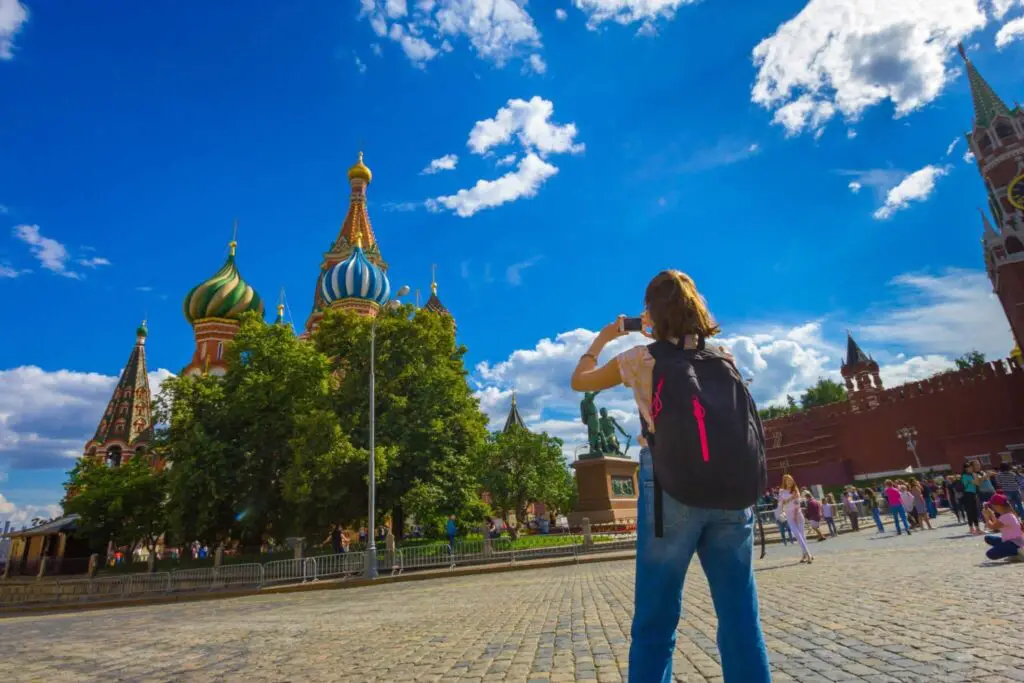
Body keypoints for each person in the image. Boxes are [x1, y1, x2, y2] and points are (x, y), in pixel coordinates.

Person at [569, 269, 771, 683]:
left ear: (651, 313)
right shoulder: (724, 355)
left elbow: (579, 381)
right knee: (740, 619)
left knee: (656, 622)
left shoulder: (641, 358)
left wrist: (607, 337)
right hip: (732, 495)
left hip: (670, 491)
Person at [980, 493, 1024, 561]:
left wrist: (986, 517)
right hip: (1013, 541)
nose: (993, 508)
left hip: (1014, 543)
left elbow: (992, 527)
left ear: (998, 506)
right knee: (988, 538)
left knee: (990, 554)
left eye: (993, 506)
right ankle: (1015, 553)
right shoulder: (1009, 514)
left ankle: (1017, 552)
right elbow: (997, 526)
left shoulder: (1006, 516)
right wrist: (992, 514)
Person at [777, 475, 811, 561]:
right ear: (784, 482)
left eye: (791, 480)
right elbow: (780, 504)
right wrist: (781, 512)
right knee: (797, 534)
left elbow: (797, 503)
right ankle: (808, 553)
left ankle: (805, 554)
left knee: (802, 535)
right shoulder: (781, 492)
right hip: (789, 515)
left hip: (798, 514)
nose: (789, 482)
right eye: (787, 480)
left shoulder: (795, 490)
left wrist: (790, 501)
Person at [961, 463, 983, 535]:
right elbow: (976, 483)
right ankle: (973, 528)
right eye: (969, 468)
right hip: (967, 495)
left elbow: (978, 484)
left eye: (971, 468)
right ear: (966, 469)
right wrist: (975, 476)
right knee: (971, 511)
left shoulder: (971, 475)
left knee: (974, 511)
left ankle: (975, 528)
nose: (971, 469)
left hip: (972, 494)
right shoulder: (965, 476)